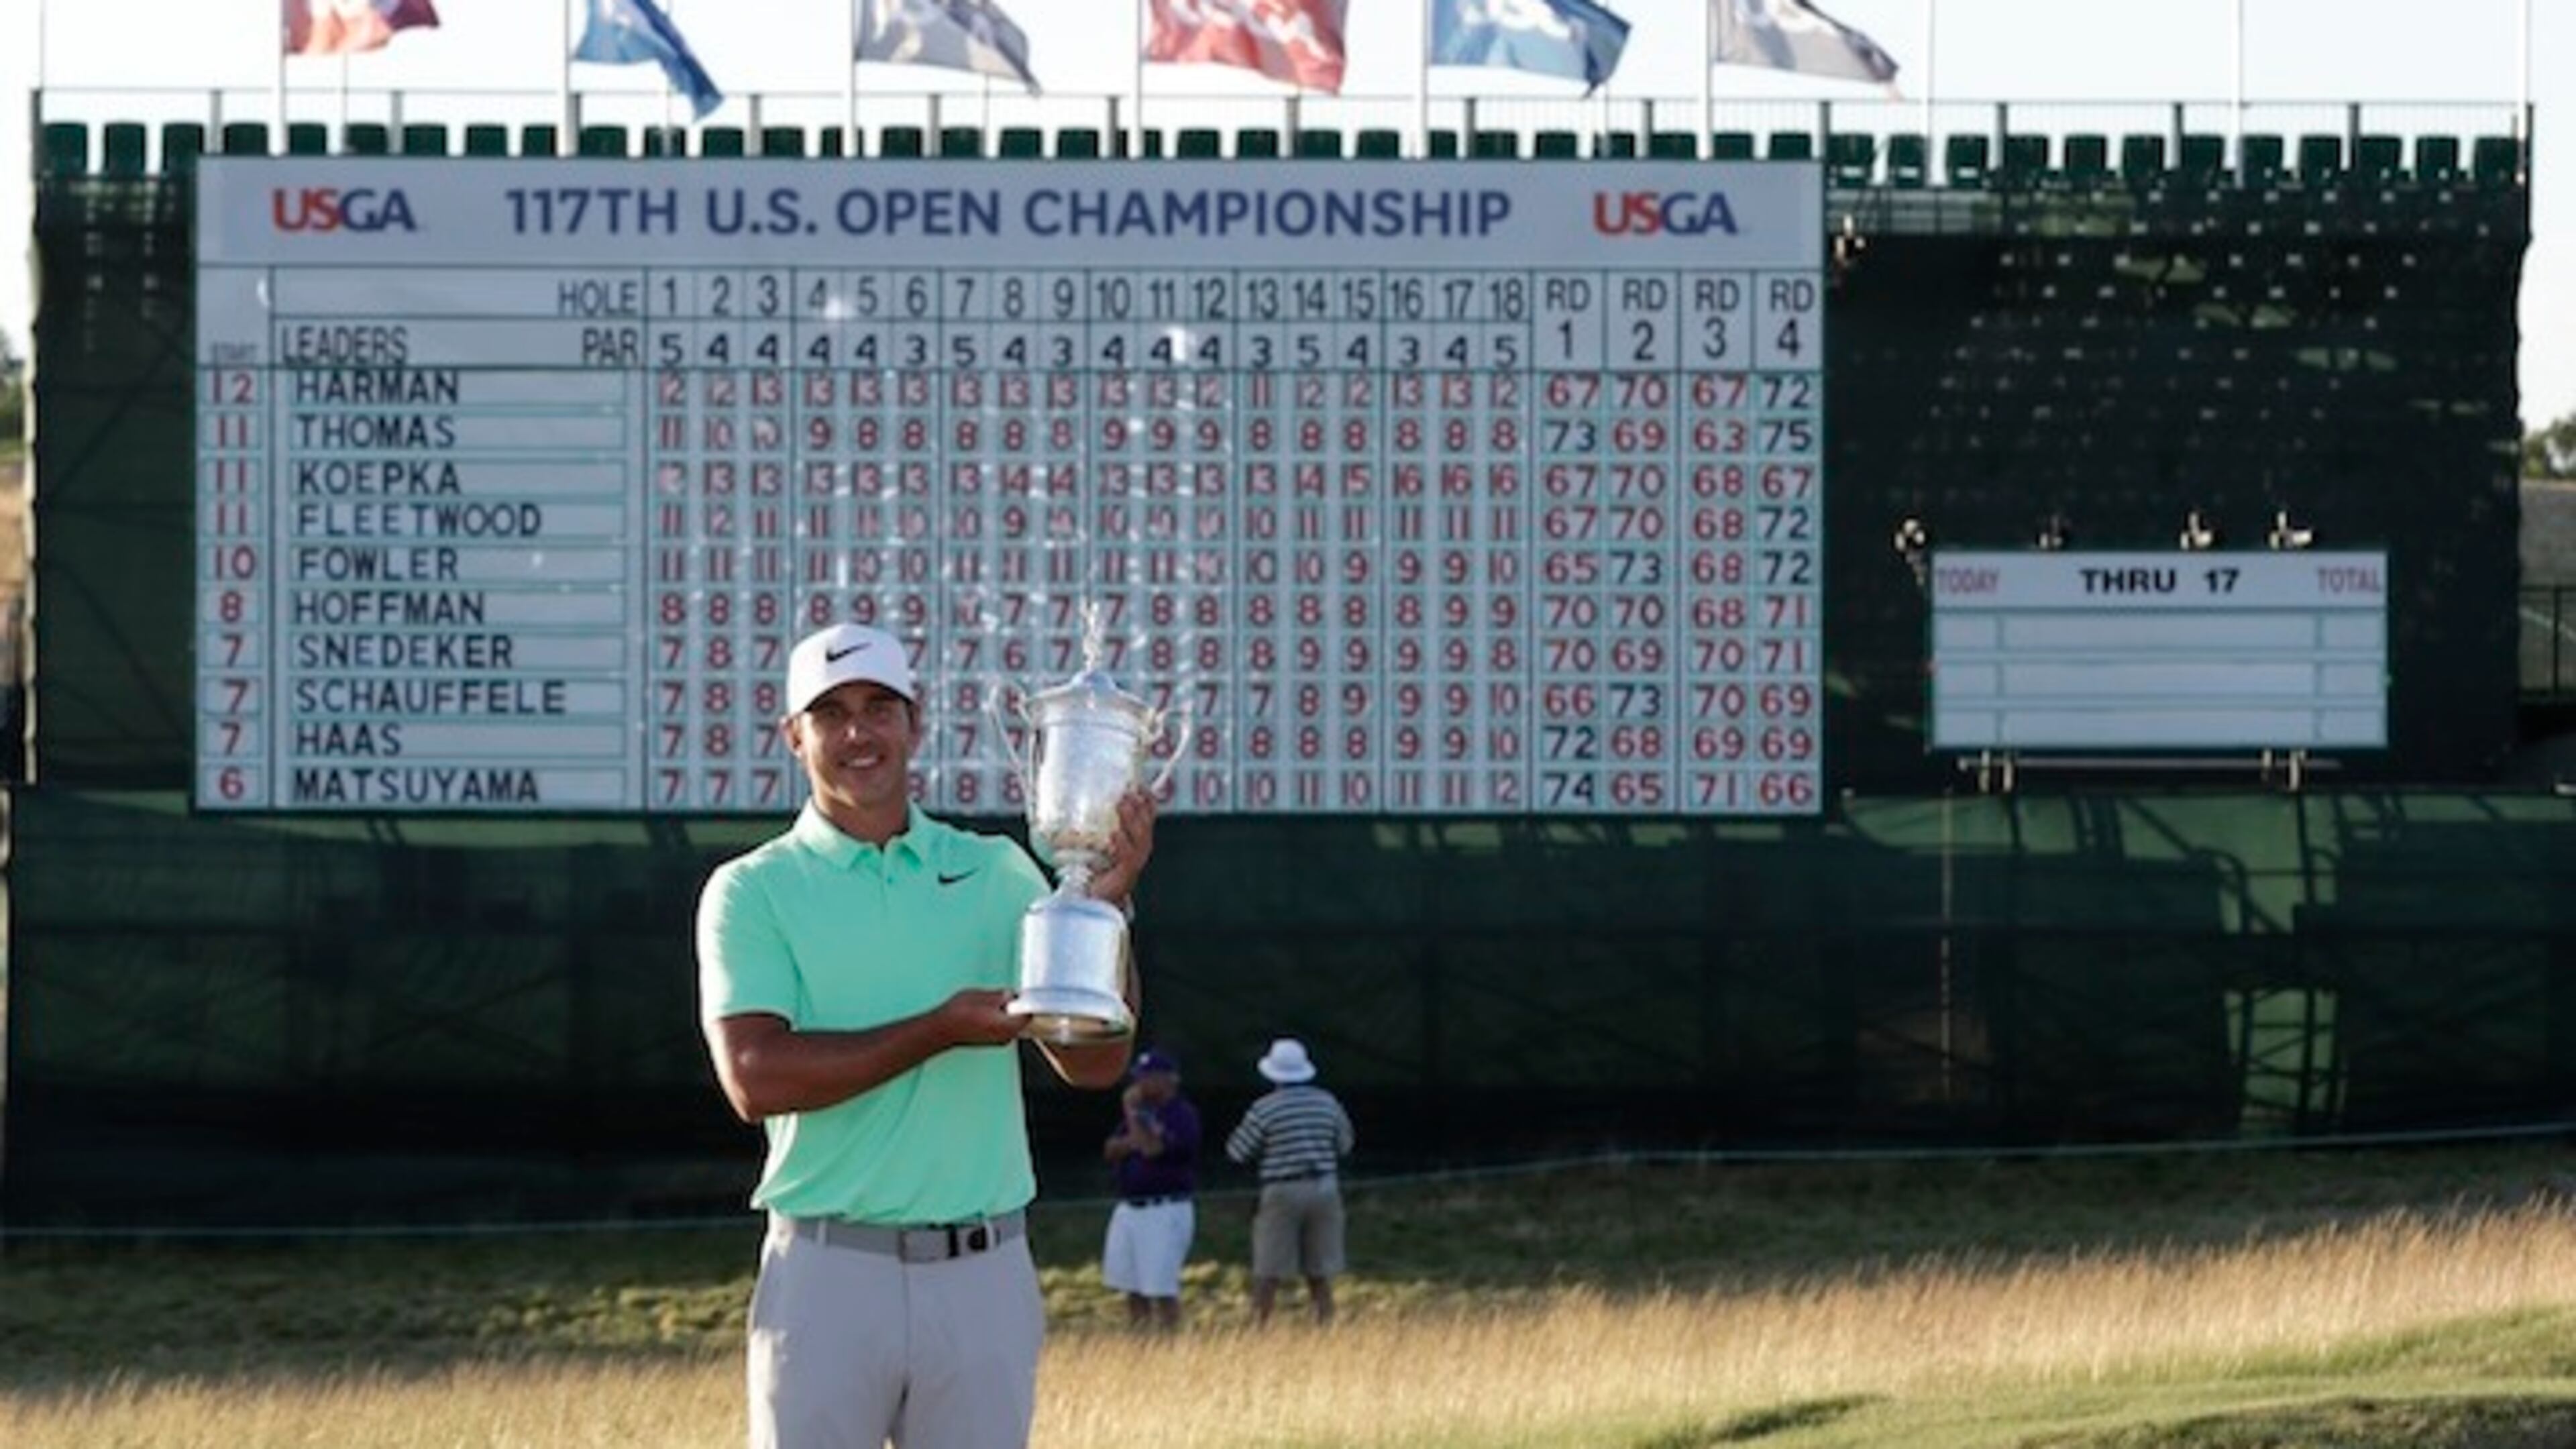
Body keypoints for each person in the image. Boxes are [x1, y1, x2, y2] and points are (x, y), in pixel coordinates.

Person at [696, 621, 1157, 1449]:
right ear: (793, 735)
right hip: (827, 1275)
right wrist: (939, 1029)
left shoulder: (1000, 873)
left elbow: (1096, 1064)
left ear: (917, 721)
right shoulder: (750, 891)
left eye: (879, 707)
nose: (857, 733)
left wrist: (1105, 908)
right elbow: (754, 1078)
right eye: (830, 713)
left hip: (982, 1276)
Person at [1224, 1037, 1355, 1326]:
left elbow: (1238, 1151)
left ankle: (1259, 1329)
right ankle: (1326, 1326)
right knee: (1319, 1270)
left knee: (1268, 1268)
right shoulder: (1327, 1103)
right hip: (1325, 1186)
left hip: (1282, 1187)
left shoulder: (1265, 1109)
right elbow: (1345, 1144)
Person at [1099, 1046, 1200, 1331]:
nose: (1140, 1084)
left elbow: (1152, 1149)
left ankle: (1171, 1343)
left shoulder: (1181, 1115)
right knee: (1132, 1287)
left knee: (1161, 1288)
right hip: (1130, 1208)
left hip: (1164, 1208)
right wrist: (1134, 1137)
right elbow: (1112, 1148)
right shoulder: (1141, 1114)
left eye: (1148, 1077)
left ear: (1169, 1079)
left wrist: (1132, 1115)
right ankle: (1142, 1347)